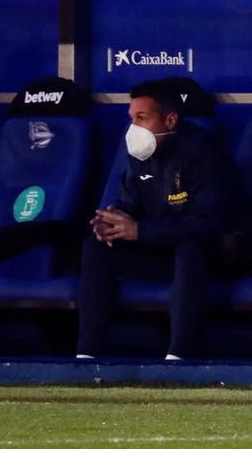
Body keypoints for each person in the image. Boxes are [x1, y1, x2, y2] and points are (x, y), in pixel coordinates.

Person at [77, 79, 228, 361]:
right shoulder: (140, 156)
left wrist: (141, 232)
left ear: (170, 119)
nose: (134, 127)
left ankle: (179, 357)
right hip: (161, 253)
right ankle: (87, 357)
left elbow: (208, 224)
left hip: (208, 259)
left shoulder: (204, 152)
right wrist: (112, 223)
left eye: (142, 118)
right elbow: (129, 204)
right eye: (132, 119)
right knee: (97, 248)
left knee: (190, 249)